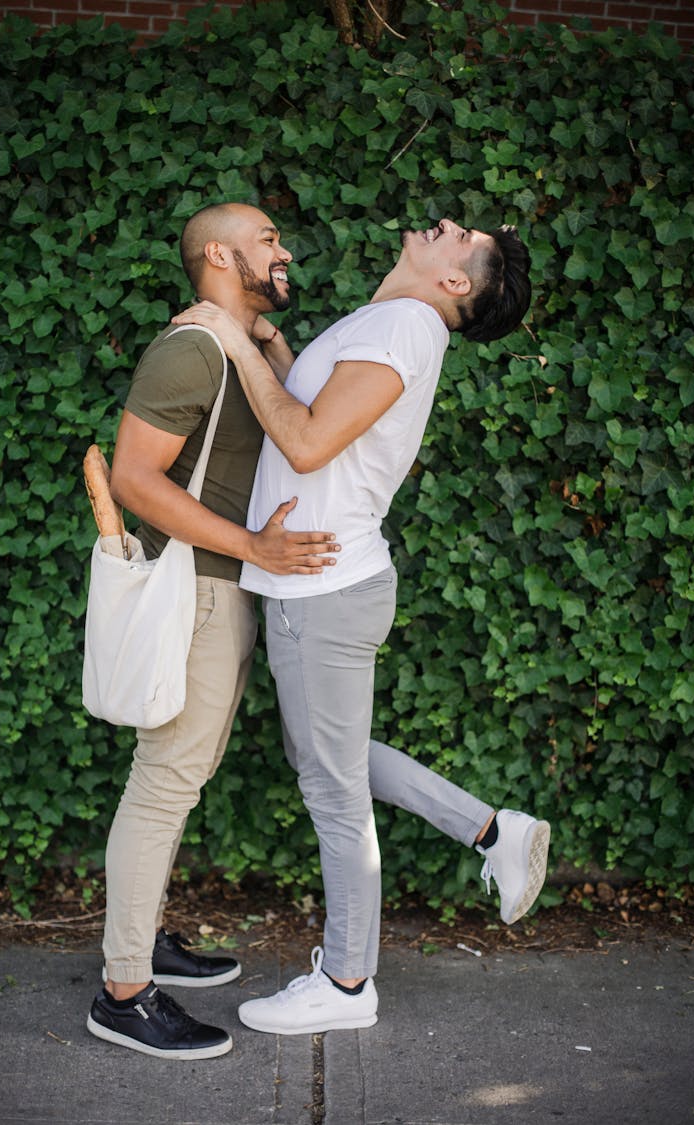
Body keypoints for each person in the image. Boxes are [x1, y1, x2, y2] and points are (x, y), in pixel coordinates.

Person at [169, 216, 551, 1036]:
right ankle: (492, 829)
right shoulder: (390, 320)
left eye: (461, 237)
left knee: (332, 788)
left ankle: (347, 982)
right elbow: (313, 406)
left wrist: (227, 342)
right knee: (329, 759)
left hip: (324, 588)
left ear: (456, 283)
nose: (446, 224)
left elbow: (305, 442)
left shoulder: (408, 326)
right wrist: (264, 339)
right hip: (324, 583)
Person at [86, 203, 341, 1060]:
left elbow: (307, 419)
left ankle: (143, 935)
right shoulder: (190, 348)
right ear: (222, 255)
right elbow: (131, 476)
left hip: (216, 588)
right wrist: (251, 545)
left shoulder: (230, 344)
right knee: (165, 781)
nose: (287, 251)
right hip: (193, 587)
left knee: (176, 778)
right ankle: (124, 989)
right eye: (269, 239)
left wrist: (257, 338)